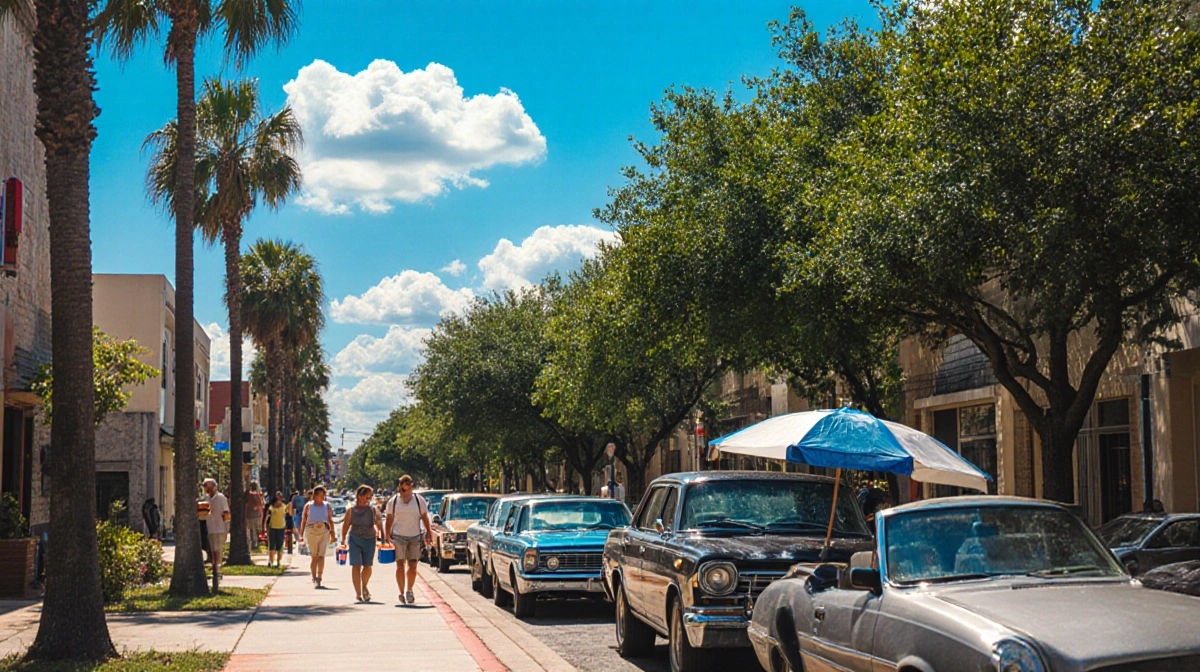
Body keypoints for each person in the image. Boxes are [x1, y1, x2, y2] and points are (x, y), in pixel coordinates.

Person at [384, 475, 432, 605]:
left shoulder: (418, 500)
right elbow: (389, 519)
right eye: (405, 482)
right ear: (400, 485)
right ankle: (401, 591)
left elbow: (424, 516)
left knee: (413, 564)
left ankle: (409, 590)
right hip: (398, 536)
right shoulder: (393, 501)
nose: (408, 484)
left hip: (415, 536)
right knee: (400, 565)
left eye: (410, 482)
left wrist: (428, 532)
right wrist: (387, 535)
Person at [340, 484, 385, 603]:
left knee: (367, 566)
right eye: (366, 497)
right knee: (356, 565)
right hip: (355, 539)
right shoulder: (350, 511)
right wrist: (343, 540)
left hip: (369, 539)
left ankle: (364, 586)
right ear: (359, 496)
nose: (368, 499)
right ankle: (358, 593)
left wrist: (382, 535)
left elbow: (379, 524)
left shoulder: (372, 510)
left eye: (369, 497)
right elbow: (345, 526)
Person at [300, 485, 335, 587]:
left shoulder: (326, 506)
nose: (322, 497)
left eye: (323, 495)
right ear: (315, 496)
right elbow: (304, 520)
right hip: (311, 530)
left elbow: (330, 520)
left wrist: (332, 534)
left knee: (321, 555)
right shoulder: (308, 506)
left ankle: (319, 578)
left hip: (324, 530)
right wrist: (301, 534)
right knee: (314, 556)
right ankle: (314, 576)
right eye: (320, 495)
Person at [203, 478, 230, 579]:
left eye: (208, 486)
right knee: (212, 548)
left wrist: (226, 527)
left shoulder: (221, 498)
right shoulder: (206, 498)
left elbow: (226, 512)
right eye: (205, 486)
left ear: (214, 487)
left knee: (217, 549)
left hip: (220, 528)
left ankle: (217, 568)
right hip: (210, 527)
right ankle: (215, 565)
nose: (207, 489)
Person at [265, 491, 288, 568]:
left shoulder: (284, 507)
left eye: (280, 497)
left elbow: (288, 517)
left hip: (281, 528)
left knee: (280, 545)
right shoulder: (270, 507)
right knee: (272, 545)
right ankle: (271, 561)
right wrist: (264, 527)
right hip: (272, 527)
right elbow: (266, 517)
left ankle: (278, 562)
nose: (279, 499)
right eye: (277, 497)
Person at [246, 481, 265, 551]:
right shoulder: (256, 495)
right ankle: (255, 543)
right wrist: (261, 514)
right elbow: (260, 505)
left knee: (250, 530)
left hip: (248, 515)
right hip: (256, 515)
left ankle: (252, 544)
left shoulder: (248, 495)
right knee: (255, 529)